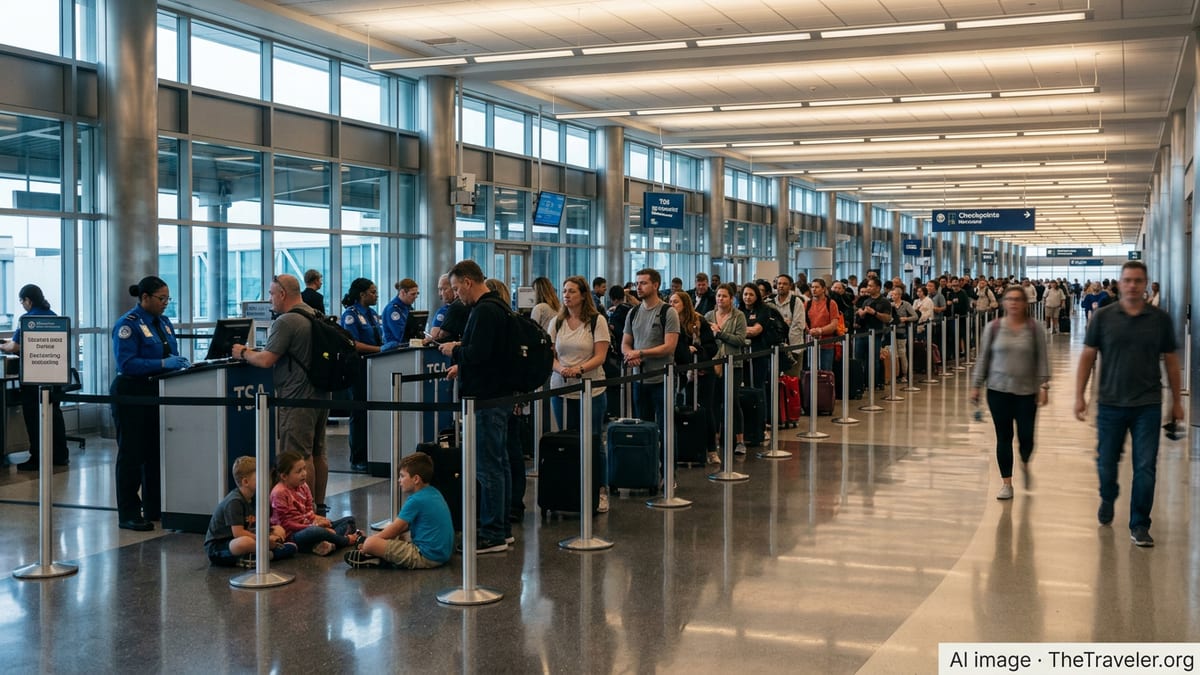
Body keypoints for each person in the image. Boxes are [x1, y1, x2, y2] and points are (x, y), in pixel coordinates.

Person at [1074, 261, 1183, 547]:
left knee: (1145, 466)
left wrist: (1176, 402)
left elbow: (1171, 361)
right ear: (1120, 284)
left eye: (1138, 281)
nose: (1133, 285)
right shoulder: (1104, 317)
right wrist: (1079, 395)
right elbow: (1088, 355)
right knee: (1106, 463)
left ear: (1145, 285)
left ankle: (1139, 524)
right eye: (1128, 280)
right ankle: (1108, 496)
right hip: (1110, 403)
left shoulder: (1159, 319)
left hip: (1148, 404)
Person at [231, 274, 332, 514]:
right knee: (318, 452)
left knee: (299, 454)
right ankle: (318, 506)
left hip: (297, 396)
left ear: (283, 294)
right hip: (321, 393)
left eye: (271, 294)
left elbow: (266, 359)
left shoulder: (286, 321)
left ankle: (302, 510)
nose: (269, 299)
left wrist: (243, 352)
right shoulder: (315, 313)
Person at [440, 259, 512, 554]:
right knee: (500, 463)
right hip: (498, 394)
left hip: (484, 397)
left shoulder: (483, 311)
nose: (456, 294)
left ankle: (493, 532)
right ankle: (502, 527)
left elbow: (479, 353)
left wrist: (454, 349)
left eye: (457, 288)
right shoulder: (500, 306)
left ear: (468, 282)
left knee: (488, 466)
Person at [111, 276, 191, 531]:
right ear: (145, 298)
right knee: (131, 454)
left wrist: (175, 362)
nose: (166, 303)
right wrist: (162, 364)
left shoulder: (164, 323)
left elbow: (169, 353)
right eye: (161, 298)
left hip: (158, 391)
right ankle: (129, 512)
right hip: (132, 392)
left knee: (154, 453)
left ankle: (154, 507)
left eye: (168, 298)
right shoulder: (128, 325)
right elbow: (127, 363)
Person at [971, 287, 1050, 500]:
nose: (1014, 303)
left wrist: (1043, 386)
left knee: (1026, 437)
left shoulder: (1035, 329)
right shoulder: (993, 328)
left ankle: (1024, 461)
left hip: (1027, 392)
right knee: (1003, 437)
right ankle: (1007, 482)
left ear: (1025, 303)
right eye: (1010, 299)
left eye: (1018, 300)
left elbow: (1042, 358)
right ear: (1004, 303)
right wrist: (976, 385)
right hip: (998, 391)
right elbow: (983, 357)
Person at [548, 276, 611, 512]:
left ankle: (600, 489)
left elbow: (600, 356)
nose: (567, 295)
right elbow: (551, 355)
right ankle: (571, 488)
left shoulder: (597, 321)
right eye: (564, 291)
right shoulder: (556, 322)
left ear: (583, 295)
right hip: (561, 388)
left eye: (572, 291)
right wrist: (561, 369)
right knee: (567, 440)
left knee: (593, 440)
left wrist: (579, 370)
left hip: (591, 388)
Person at [344, 452, 454, 569]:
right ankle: (376, 551)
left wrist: (371, 541)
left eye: (402, 476)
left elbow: (395, 528)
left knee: (370, 543)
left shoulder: (415, 500)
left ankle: (375, 558)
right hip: (443, 554)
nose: (399, 480)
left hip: (426, 556)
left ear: (416, 479)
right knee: (386, 538)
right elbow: (403, 527)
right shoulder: (434, 492)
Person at [1, 284, 69, 469]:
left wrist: (2, 345)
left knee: (34, 417)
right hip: (54, 375)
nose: (22, 305)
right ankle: (60, 455)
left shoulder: (27, 319)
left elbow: (14, 347)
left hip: (33, 377)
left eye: (22, 301)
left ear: (28, 300)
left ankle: (37, 458)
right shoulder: (53, 316)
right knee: (54, 414)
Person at [621, 268, 680, 464]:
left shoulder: (667, 312)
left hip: (662, 379)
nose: (638, 287)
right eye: (637, 283)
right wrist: (631, 354)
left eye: (643, 283)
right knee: (643, 426)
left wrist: (642, 353)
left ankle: (668, 471)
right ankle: (647, 469)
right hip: (639, 379)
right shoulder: (633, 312)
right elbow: (625, 342)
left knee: (666, 427)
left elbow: (669, 347)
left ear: (655, 285)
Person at [204, 455, 296, 567]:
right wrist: (266, 540)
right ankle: (270, 554)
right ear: (245, 482)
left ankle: (256, 555)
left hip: (250, 536)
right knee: (244, 543)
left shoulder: (255, 497)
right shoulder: (234, 502)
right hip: (221, 547)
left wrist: (271, 534)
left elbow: (260, 526)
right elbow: (238, 533)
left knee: (279, 529)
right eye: (259, 476)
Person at [270, 450, 361, 555]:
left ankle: (326, 542)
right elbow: (286, 524)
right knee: (315, 532)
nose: (304, 473)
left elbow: (309, 512)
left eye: (304, 469)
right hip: (292, 534)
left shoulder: (303, 486)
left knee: (350, 521)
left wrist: (320, 520)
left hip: (309, 526)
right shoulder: (279, 492)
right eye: (298, 471)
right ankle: (344, 541)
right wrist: (315, 527)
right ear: (284, 476)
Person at [340, 277, 382, 472]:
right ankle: (358, 457)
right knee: (359, 413)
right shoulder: (351, 315)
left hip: (375, 367)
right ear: (362, 294)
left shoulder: (373, 314)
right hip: (358, 368)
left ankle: (373, 453)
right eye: (372, 292)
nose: (376, 295)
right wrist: (378, 349)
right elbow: (352, 343)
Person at [706, 283, 748, 460]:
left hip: (733, 365)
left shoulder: (739, 316)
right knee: (714, 401)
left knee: (732, 400)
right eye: (718, 296)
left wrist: (720, 334)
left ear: (731, 298)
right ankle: (714, 438)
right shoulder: (709, 315)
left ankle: (739, 440)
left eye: (724, 296)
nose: (720, 299)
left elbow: (740, 339)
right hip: (714, 364)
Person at [853, 278, 892, 388]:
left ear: (878, 288)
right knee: (859, 359)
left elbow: (887, 318)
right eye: (868, 286)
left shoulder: (885, 302)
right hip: (862, 334)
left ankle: (872, 383)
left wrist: (874, 313)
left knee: (873, 360)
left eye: (871, 286)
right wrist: (861, 314)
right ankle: (860, 383)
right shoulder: (866, 301)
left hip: (875, 334)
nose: (868, 288)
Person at [804, 278, 842, 372]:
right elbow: (802, 321)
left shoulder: (831, 303)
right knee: (811, 372)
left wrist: (820, 331)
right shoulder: (807, 304)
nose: (814, 289)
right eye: (812, 287)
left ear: (823, 289)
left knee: (826, 372)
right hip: (811, 343)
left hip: (827, 344)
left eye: (817, 287)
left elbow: (834, 324)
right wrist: (809, 331)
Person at [428, 273, 469, 343]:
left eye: (444, 289)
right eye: (439, 289)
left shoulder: (457, 307)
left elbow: (438, 335)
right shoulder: (442, 310)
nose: (440, 294)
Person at [889, 287, 918, 384]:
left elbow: (915, 316)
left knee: (902, 353)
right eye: (892, 295)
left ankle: (904, 374)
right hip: (891, 331)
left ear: (899, 295)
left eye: (894, 294)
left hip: (901, 331)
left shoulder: (906, 304)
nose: (893, 296)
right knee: (894, 354)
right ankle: (895, 373)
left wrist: (905, 319)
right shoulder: (890, 305)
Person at [380, 278, 419, 351]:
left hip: (405, 348)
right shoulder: (393, 310)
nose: (416, 296)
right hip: (393, 351)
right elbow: (400, 336)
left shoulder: (408, 308)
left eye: (417, 293)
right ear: (402, 292)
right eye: (413, 294)